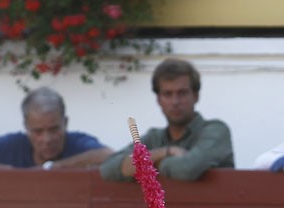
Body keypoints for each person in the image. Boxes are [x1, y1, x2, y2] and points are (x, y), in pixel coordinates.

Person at [100, 58, 234, 182]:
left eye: (182, 93)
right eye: (167, 94)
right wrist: (166, 152)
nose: (175, 102)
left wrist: (150, 163)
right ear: (158, 100)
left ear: (196, 96)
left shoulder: (216, 131)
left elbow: (187, 169)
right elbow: (108, 168)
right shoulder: (154, 138)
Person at [0, 87, 110, 170]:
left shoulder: (78, 142)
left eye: (54, 129)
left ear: (65, 123)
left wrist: (53, 167)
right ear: (26, 127)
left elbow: (109, 156)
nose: (47, 139)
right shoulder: (14, 144)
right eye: (38, 131)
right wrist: (8, 173)